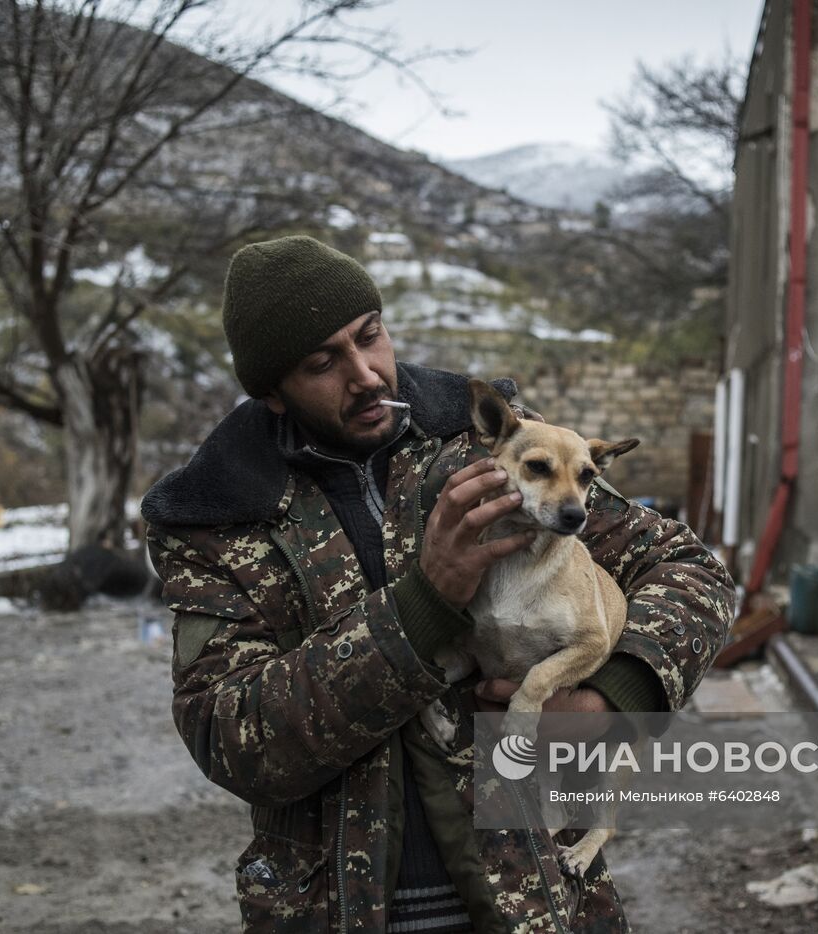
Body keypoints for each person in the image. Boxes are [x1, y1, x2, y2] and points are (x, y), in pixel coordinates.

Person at [141, 235, 736, 933]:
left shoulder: (489, 441)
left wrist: (613, 694)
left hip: (534, 900)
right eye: (322, 362)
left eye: (371, 336)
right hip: (340, 910)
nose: (365, 374)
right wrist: (422, 607)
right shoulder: (217, 514)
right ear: (272, 390)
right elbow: (233, 738)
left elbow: (692, 571)